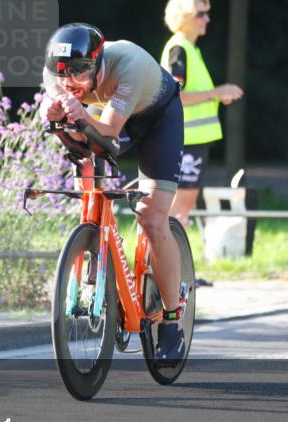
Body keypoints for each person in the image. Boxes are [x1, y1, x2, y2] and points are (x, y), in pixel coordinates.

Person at [40, 22, 186, 362]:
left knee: (152, 216)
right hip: (107, 114)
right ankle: (98, 255)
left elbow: (109, 131)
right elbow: (67, 128)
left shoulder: (128, 64)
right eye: (62, 75)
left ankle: (171, 319)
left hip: (155, 118)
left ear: (97, 63)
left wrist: (79, 116)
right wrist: (54, 117)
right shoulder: (58, 75)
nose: (68, 82)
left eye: (78, 74)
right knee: (86, 187)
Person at [160, 0, 243, 228]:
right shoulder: (180, 49)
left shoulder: (189, 48)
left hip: (191, 141)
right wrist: (216, 93)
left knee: (179, 214)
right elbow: (174, 96)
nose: (207, 19)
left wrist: (216, 97)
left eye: (207, 13)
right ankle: (168, 265)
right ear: (184, 17)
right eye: (201, 13)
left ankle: (170, 264)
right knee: (178, 215)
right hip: (186, 141)